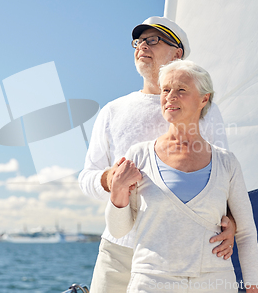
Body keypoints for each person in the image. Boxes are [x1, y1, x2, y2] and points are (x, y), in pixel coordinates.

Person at [79, 17, 236, 293]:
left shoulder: (205, 110)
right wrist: (110, 179)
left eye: (153, 40)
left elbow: (224, 175)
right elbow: (87, 178)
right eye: (138, 42)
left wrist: (231, 222)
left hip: (179, 252)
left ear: (177, 54)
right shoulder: (112, 111)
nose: (142, 46)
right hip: (119, 251)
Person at [106, 60, 258, 292]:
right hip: (150, 283)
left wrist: (253, 288)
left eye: (181, 90)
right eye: (166, 90)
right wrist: (118, 190)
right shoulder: (138, 156)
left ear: (204, 99)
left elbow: (246, 233)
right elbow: (119, 230)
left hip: (215, 283)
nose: (170, 96)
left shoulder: (226, 162)